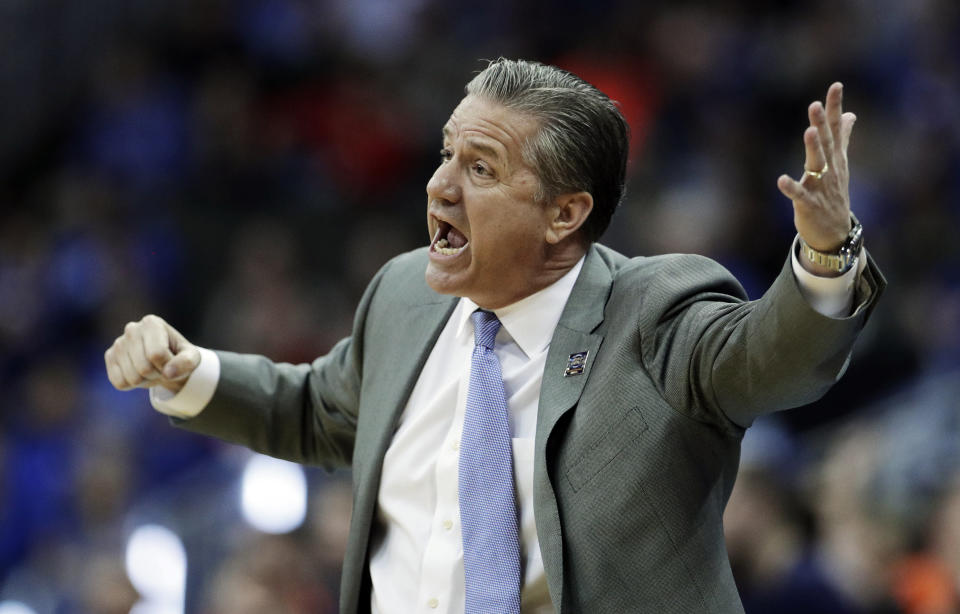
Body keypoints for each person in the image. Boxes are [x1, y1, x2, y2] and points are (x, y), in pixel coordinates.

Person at [104, 59, 885, 613]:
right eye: (447, 152)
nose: (439, 184)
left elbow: (772, 360)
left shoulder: (656, 311)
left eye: (480, 168)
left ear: (564, 213)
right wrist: (192, 371)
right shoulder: (402, 295)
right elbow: (326, 411)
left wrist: (823, 253)